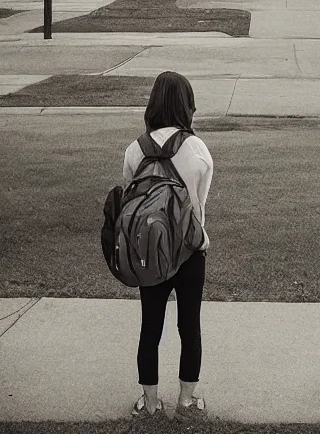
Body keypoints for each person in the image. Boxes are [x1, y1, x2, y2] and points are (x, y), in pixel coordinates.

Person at [123, 71, 213, 422]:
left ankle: (149, 404)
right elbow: (200, 205)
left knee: (151, 326)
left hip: (149, 254)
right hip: (190, 252)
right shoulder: (198, 149)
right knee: (189, 326)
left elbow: (130, 199)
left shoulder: (135, 150)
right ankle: (187, 403)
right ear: (187, 106)